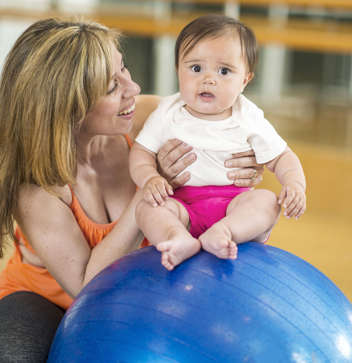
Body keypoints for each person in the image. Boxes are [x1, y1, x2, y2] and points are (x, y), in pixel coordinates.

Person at [0, 18, 263, 362]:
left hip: (143, 288)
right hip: (46, 300)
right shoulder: (38, 188)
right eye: (112, 86)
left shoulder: (149, 119)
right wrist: (152, 185)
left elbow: (236, 124)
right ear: (68, 106)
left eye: (124, 69)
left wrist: (249, 161)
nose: (134, 88)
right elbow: (86, 288)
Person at [130, 14, 306, 271]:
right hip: (181, 206)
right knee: (146, 209)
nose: (208, 79)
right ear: (178, 69)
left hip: (234, 206)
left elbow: (282, 157)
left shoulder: (248, 116)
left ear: (245, 80)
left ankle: (224, 232)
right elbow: (141, 152)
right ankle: (175, 238)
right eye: (196, 68)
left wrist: (295, 184)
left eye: (224, 71)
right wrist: (149, 179)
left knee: (267, 201)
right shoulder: (168, 111)